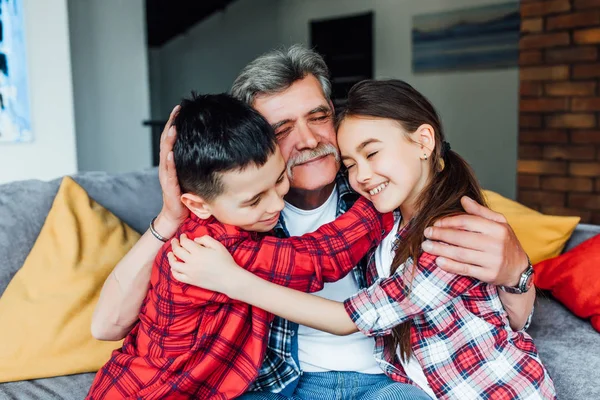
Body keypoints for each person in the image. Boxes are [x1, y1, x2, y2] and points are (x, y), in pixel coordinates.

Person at [92, 45, 536, 399]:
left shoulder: (381, 190)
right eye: (282, 128)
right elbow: (108, 326)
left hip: (380, 380)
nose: (307, 140)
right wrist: (170, 218)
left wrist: (518, 271)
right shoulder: (238, 210)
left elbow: (499, 318)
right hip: (276, 384)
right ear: (256, 142)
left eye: (318, 116)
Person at [87, 93, 402, 400]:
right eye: (254, 200)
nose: (276, 204)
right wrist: (388, 191)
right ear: (198, 204)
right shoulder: (212, 247)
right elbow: (321, 257)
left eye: (280, 180)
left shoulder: (238, 217)